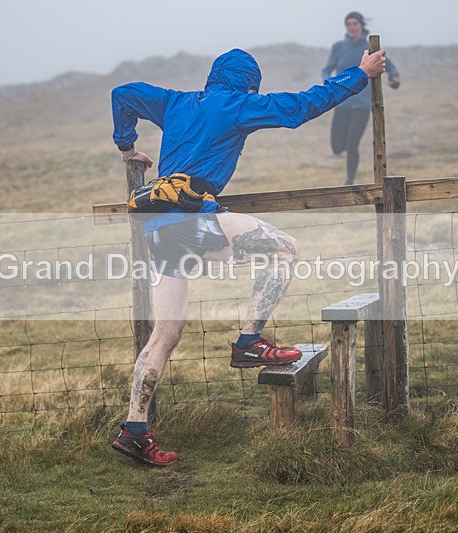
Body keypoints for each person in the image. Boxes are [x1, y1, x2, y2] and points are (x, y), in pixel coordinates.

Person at [109, 46, 387, 466]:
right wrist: (360, 73)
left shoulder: (175, 102)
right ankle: (249, 343)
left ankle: (134, 430)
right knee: (286, 249)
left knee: (165, 334)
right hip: (191, 219)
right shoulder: (239, 104)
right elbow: (301, 106)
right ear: (250, 85)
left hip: (159, 230)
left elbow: (123, 93)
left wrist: (127, 148)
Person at [322, 11, 400, 185]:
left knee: (352, 144)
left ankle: (349, 181)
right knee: (337, 147)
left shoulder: (369, 47)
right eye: (348, 24)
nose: (351, 27)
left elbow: (389, 65)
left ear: (361, 26)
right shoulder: (338, 47)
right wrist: (328, 84)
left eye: (355, 24)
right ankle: (344, 157)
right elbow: (326, 69)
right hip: (341, 102)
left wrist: (394, 77)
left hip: (362, 104)